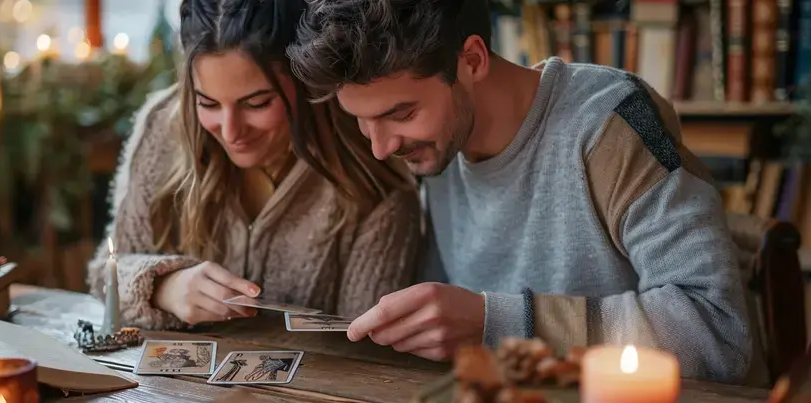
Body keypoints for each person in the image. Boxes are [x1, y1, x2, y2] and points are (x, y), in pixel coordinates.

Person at [286, 0, 751, 383]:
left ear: (471, 60)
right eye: (362, 122)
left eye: (401, 114)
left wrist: (497, 322)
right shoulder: (436, 150)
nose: (382, 147)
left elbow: (718, 333)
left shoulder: (609, 124)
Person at [86, 0, 422, 331]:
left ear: (306, 81)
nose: (231, 132)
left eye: (257, 103)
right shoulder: (164, 127)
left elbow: (367, 353)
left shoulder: (371, 177)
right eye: (208, 103)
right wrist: (164, 288)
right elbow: (104, 276)